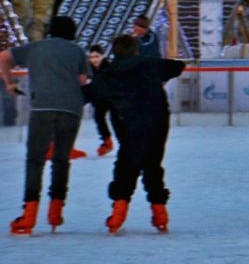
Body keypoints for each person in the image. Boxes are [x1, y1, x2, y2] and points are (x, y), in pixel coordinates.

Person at [87, 34, 186, 233]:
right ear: (135, 49)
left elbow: (89, 96)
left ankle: (118, 211)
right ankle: (160, 213)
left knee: (126, 164)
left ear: (114, 52)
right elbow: (178, 66)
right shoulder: (148, 63)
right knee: (152, 162)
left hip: (129, 122)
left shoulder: (108, 73)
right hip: (157, 119)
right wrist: (158, 74)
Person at [2, 16, 91, 235]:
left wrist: (10, 83)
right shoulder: (77, 51)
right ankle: (55, 211)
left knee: (35, 159)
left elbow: (3, 57)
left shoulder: (34, 47)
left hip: (42, 107)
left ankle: (29, 214)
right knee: (61, 159)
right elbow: (83, 81)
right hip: (71, 108)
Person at [87, 45, 117, 156]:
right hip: (100, 98)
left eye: (96, 56)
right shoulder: (90, 68)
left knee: (117, 120)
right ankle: (106, 140)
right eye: (91, 57)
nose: (94, 60)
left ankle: (126, 142)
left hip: (113, 97)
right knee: (98, 116)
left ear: (103, 56)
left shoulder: (109, 67)